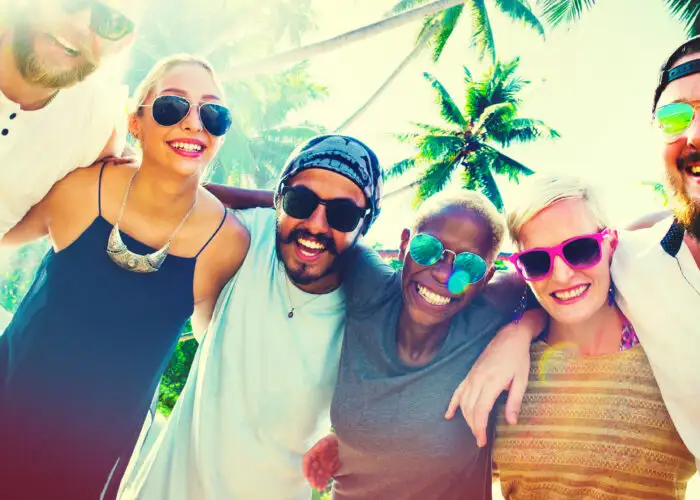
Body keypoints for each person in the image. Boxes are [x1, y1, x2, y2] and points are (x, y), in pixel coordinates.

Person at [0, 53, 258, 500]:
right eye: (173, 106)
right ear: (136, 122)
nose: (194, 123)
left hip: (91, 460)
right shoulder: (79, 188)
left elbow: (223, 351)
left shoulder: (226, 243)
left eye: (213, 112)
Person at [444, 35, 700, 469]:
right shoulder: (640, 259)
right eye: (675, 117)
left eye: (580, 250)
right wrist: (518, 331)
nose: (693, 134)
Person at [118, 133, 384, 500]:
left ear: (365, 223)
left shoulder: (370, 307)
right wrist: (278, 204)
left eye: (343, 214)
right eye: (300, 200)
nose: (317, 226)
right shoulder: (248, 238)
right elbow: (170, 190)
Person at [301, 192, 546, 500]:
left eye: (468, 267)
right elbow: (302, 220)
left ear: (486, 278)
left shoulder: (493, 311)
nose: (444, 274)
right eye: (428, 249)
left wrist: (521, 330)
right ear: (405, 244)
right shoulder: (369, 289)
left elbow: (579, 280)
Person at [490, 174, 695, 498]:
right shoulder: (503, 368)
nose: (561, 274)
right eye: (536, 260)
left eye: (581, 249)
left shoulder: (668, 340)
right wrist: (519, 329)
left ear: (611, 243)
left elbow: (680, 218)